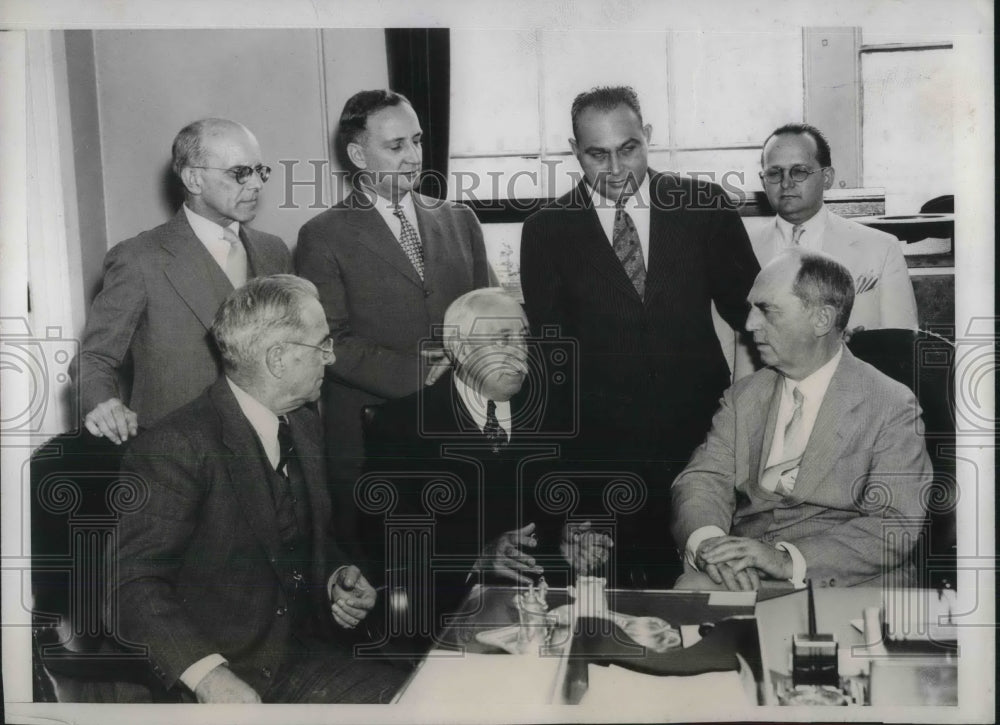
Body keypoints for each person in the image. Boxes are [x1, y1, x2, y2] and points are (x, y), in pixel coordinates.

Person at [109, 275, 405, 703]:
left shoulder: (301, 422)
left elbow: (301, 538)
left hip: (311, 652)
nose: (332, 356)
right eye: (322, 345)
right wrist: (209, 677)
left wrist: (335, 575)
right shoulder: (178, 447)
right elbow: (128, 585)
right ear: (278, 358)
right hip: (233, 673)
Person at [519, 86, 759, 587]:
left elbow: (753, 317)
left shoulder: (702, 206)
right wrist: (563, 503)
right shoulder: (547, 230)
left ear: (648, 136)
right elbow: (551, 368)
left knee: (716, 592)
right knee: (625, 612)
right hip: (602, 461)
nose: (615, 169)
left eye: (628, 148)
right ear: (574, 150)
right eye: (596, 154)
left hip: (704, 442)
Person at [296, 90, 490, 553]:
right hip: (373, 446)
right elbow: (330, 341)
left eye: (417, 140)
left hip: (460, 436)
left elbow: (489, 313)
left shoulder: (460, 219)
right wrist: (420, 372)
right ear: (359, 155)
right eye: (396, 146)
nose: (413, 157)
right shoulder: (322, 235)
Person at [671, 250, 932, 591]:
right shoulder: (744, 396)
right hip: (747, 572)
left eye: (766, 310)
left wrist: (785, 559)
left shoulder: (891, 405)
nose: (749, 324)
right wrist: (708, 544)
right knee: (691, 594)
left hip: (845, 577)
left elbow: (894, 522)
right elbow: (701, 480)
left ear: (821, 319)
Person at [362, 289, 613, 625]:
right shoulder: (403, 425)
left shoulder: (558, 412)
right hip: (451, 610)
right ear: (462, 350)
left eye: (523, 338)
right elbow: (384, 537)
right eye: (502, 340)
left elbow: (587, 500)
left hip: (551, 604)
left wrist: (573, 537)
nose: (520, 353)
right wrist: (475, 558)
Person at [72, 118, 291, 444]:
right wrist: (105, 403)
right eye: (241, 172)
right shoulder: (140, 258)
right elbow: (94, 359)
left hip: (270, 446)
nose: (257, 183)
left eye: (261, 170)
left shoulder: (274, 251)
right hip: (181, 454)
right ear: (193, 178)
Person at [753, 123, 917, 333]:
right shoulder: (740, 247)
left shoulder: (881, 248)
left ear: (827, 177)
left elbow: (900, 341)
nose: (786, 183)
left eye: (799, 172)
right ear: (763, 181)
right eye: (775, 173)